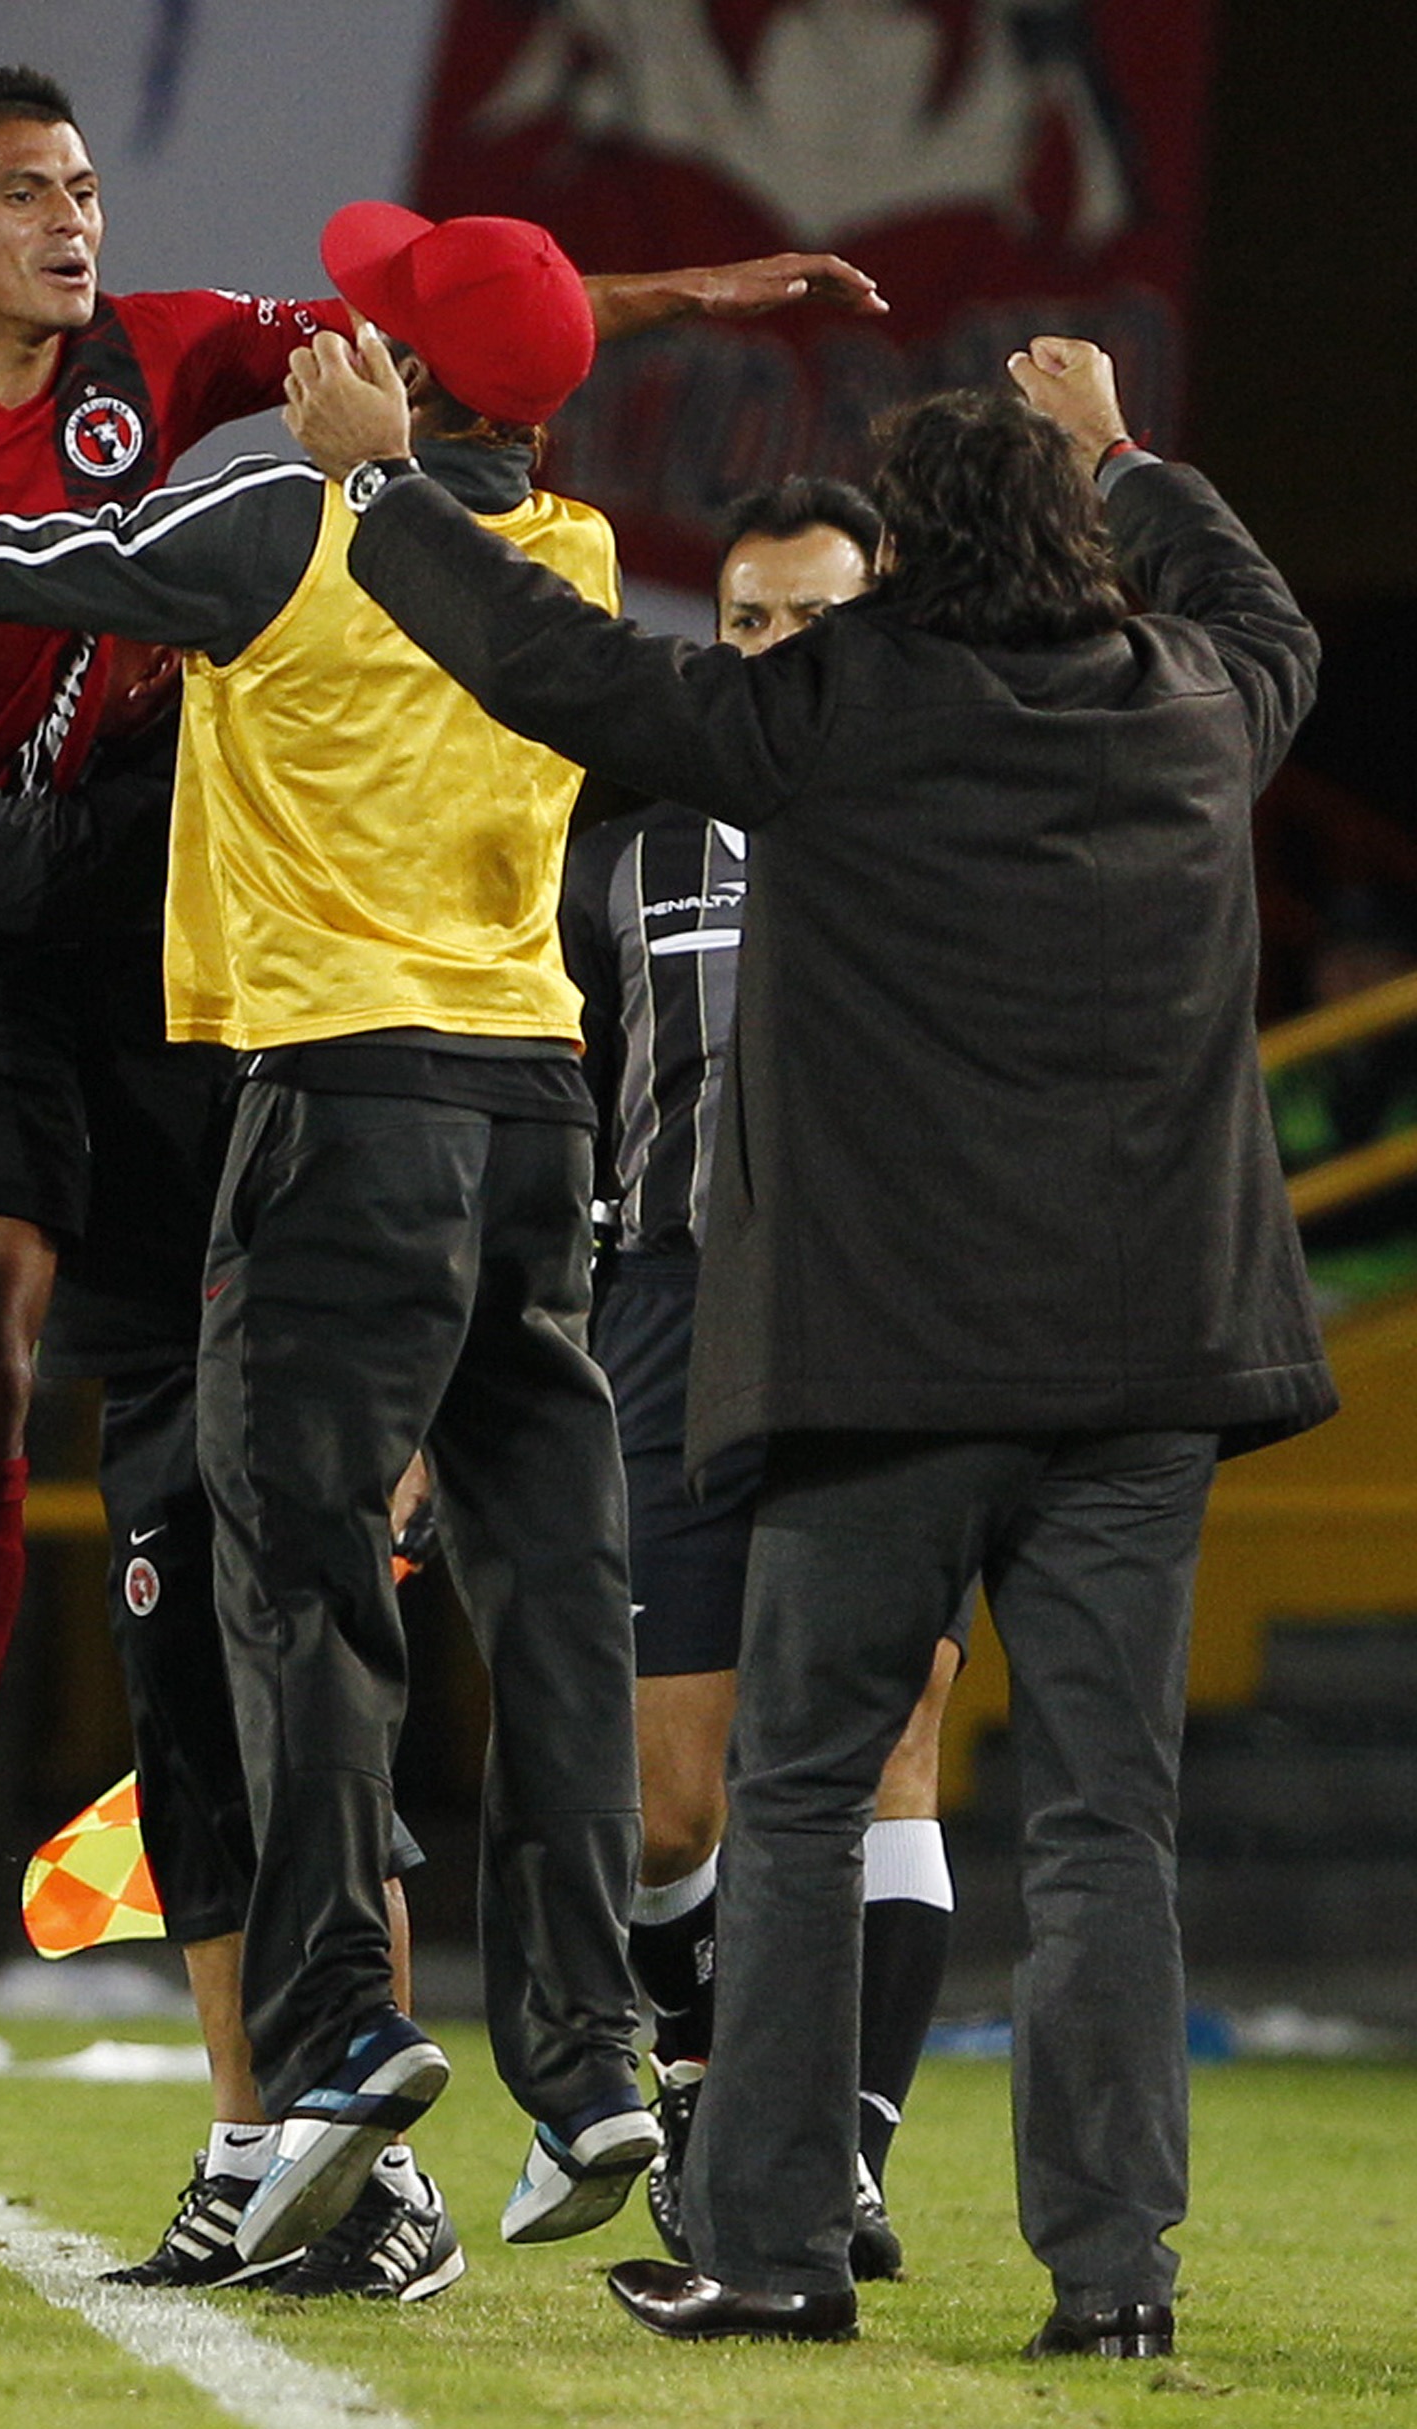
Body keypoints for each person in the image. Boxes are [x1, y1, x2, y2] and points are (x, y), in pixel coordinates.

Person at [0, 58, 875, 2021]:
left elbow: (436, 350)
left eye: (85, 187)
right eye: (29, 190)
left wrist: (688, 291)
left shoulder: (166, 366)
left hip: (40, 953)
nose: (76, 219)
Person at [284, 328, 1336, 2354]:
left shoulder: (835, 706)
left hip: (889, 1373)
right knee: (1109, 1827)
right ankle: (1114, 2286)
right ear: (1075, 539)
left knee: (792, 1798)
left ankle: (768, 2250)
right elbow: (1257, 603)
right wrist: (1122, 450)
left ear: (910, 559)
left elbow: (557, 667)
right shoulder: (1194, 704)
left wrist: (378, 489)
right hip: (1146, 1375)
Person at [0, 648, 461, 2301]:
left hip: (289, 1317)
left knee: (316, 1743)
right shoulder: (43, 786)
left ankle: (391, 2179)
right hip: (145, 1338)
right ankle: (250, 2156)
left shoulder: (228, 780)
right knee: (191, 1756)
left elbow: (9, 870)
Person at [562, 477, 964, 2282]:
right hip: (662, 1303)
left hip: (883, 1314)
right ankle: (716, 2078)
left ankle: (844, 2160)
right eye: (745, 624)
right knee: (669, 1798)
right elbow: (560, 1101)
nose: (775, 655)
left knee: (890, 1739)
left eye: (813, 621)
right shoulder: (620, 856)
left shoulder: (955, 829)